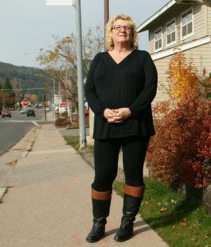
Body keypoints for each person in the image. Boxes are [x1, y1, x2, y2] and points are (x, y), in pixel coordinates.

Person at [84, 14, 157, 243]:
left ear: (132, 33)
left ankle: (127, 222)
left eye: (126, 27)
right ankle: (99, 223)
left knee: (133, 175)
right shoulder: (99, 59)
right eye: (118, 27)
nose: (122, 30)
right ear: (111, 33)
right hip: (106, 126)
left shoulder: (143, 58)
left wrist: (130, 111)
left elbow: (150, 89)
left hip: (136, 125)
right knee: (103, 176)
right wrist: (102, 111)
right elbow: (90, 91)